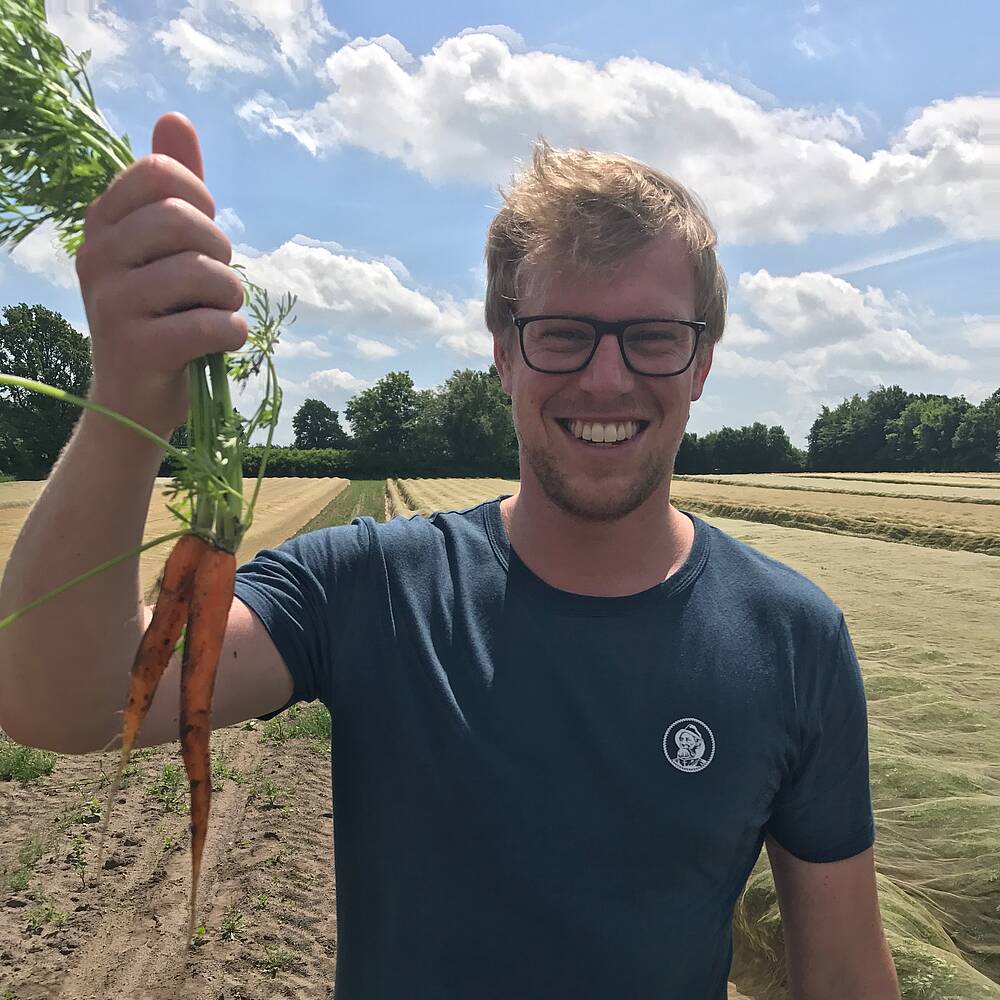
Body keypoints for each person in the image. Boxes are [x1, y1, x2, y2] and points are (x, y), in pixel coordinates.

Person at [0, 112, 900, 998]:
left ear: (701, 365)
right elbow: (61, 703)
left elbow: (846, 973)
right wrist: (130, 395)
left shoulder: (792, 638)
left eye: (655, 337)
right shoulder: (373, 590)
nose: (606, 377)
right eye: (561, 332)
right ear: (504, 352)